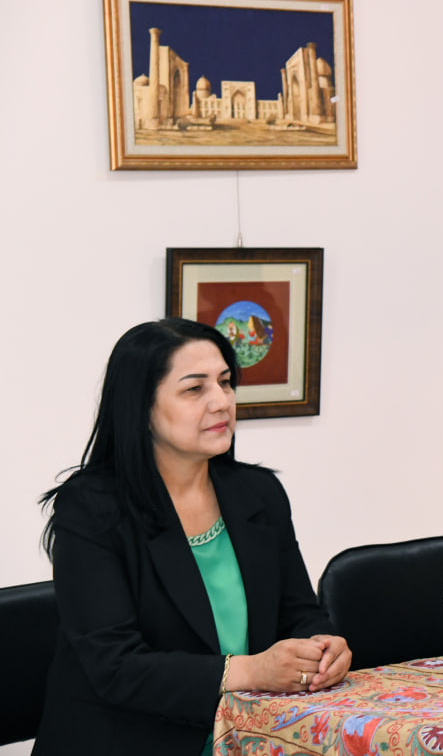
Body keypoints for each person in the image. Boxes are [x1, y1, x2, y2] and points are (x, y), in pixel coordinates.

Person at [35, 319, 350, 755]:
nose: (221, 401)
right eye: (194, 389)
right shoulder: (91, 508)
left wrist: (323, 647)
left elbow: (298, 612)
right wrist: (251, 671)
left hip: (248, 736)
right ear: (141, 406)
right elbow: (116, 667)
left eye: (225, 382)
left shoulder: (258, 492)